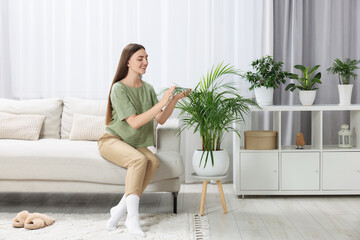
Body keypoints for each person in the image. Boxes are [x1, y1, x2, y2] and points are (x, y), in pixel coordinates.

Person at [98, 43, 189, 238]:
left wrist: (174, 99)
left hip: (135, 144)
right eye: (140, 58)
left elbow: (161, 119)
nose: (145, 62)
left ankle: (119, 209)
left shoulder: (147, 88)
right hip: (112, 140)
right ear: (128, 61)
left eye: (147, 58)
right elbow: (135, 123)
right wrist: (163, 102)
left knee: (153, 161)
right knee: (139, 160)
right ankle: (132, 216)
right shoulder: (118, 88)